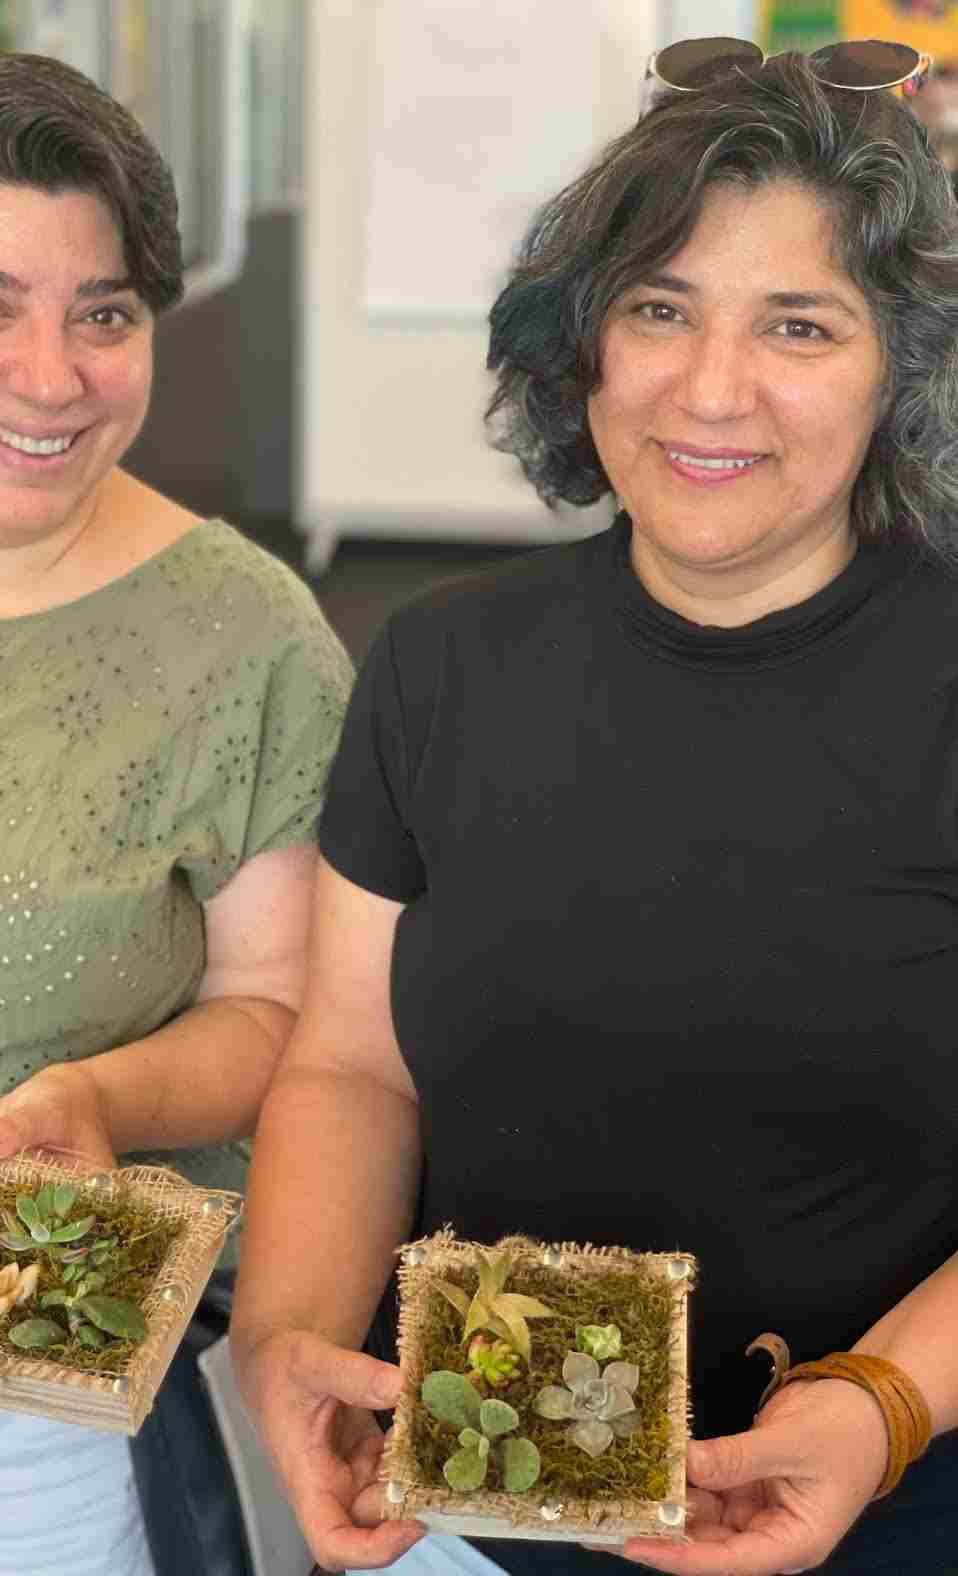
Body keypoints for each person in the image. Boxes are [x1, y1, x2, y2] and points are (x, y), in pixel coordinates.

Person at [230, 44, 958, 1576]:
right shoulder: (439, 662)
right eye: (658, 310)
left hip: (873, 1510)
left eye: (798, 327)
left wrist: (881, 1405)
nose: (708, 389)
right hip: (453, 1513)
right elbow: (353, 1065)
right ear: (582, 346)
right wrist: (289, 1341)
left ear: (900, 367)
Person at [0, 52, 352, 1576]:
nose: (49, 375)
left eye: (103, 314)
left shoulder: (246, 638)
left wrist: (105, 1103)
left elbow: (282, 1010)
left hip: (12, 1429)